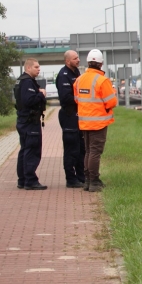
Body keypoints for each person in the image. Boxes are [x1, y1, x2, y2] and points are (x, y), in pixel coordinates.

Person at [74, 49, 117, 193]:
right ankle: (94, 181)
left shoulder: (79, 80)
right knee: (95, 152)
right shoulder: (102, 80)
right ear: (101, 64)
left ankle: (87, 181)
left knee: (88, 151)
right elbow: (111, 102)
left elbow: (76, 99)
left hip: (84, 122)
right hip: (98, 122)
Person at [14, 58, 47, 190]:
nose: (39, 69)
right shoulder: (27, 82)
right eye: (36, 67)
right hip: (30, 121)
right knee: (32, 150)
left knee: (24, 149)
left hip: (23, 120)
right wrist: (41, 94)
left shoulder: (20, 81)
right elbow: (29, 100)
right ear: (28, 68)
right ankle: (30, 180)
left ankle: (22, 180)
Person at [56, 50, 85, 188]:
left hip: (78, 116)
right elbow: (66, 98)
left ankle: (81, 176)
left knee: (81, 148)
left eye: (78, 57)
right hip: (69, 116)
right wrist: (82, 99)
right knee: (71, 148)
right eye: (75, 58)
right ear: (67, 61)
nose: (78, 60)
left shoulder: (76, 73)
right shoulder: (64, 75)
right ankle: (70, 179)